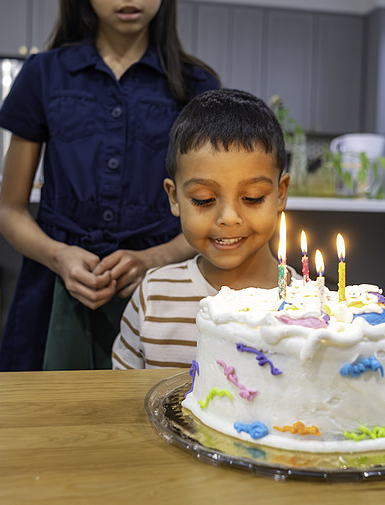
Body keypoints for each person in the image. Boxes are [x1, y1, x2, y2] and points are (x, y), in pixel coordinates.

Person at [0, 0, 220, 371]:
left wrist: (156, 257)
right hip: (53, 292)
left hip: (162, 296)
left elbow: (214, 213)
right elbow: (10, 211)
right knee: (45, 425)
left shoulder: (197, 86)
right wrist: (59, 256)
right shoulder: (43, 75)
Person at [111, 88, 295, 369]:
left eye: (253, 197)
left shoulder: (310, 303)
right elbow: (123, 399)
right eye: (204, 200)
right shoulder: (154, 296)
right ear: (174, 198)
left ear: (280, 193)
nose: (229, 218)